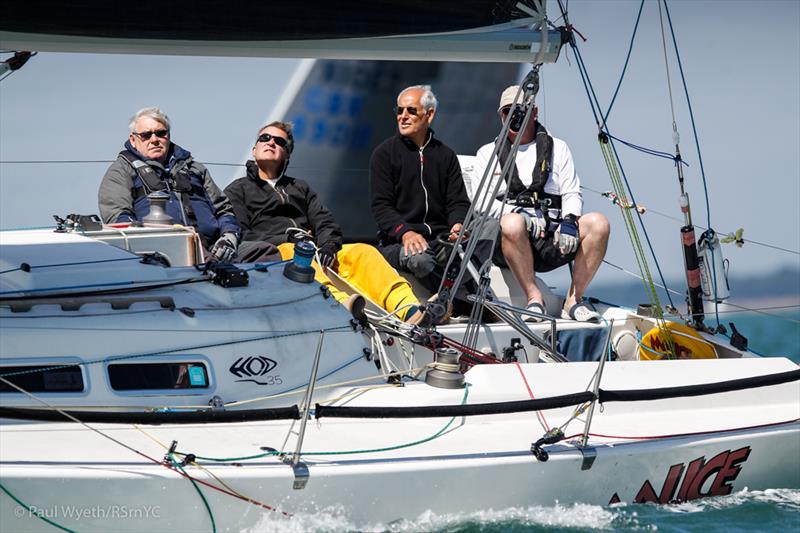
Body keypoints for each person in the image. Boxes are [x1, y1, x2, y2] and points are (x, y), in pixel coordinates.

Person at [224, 121, 427, 324]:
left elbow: (324, 221)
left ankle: (408, 309)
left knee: (363, 252)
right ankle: (338, 304)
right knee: (292, 253)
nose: (271, 143)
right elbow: (240, 233)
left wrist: (328, 246)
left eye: (279, 141)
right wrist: (285, 238)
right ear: (254, 149)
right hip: (276, 253)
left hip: (313, 249)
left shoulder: (299, 187)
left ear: (287, 154)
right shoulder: (237, 190)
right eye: (265, 138)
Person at [471, 86, 610, 322]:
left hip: (553, 235)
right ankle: (534, 298)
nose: (514, 116)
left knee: (599, 223)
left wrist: (569, 221)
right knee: (513, 223)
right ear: (501, 116)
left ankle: (574, 299)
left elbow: (571, 192)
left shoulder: (559, 148)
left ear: (534, 112)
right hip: (513, 240)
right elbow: (480, 202)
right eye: (508, 112)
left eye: (520, 110)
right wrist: (518, 213)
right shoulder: (487, 153)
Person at [369, 85, 499, 314]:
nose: (403, 116)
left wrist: (458, 224)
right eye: (399, 111)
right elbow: (381, 207)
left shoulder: (445, 155)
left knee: (490, 226)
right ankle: (460, 303)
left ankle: (473, 291)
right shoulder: (384, 154)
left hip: (441, 238)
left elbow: (458, 202)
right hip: (398, 242)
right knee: (419, 259)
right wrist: (406, 232)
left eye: (411, 111)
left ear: (429, 115)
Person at [98, 107, 277, 264]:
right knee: (205, 262)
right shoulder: (121, 171)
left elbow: (223, 210)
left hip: (216, 247)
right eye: (146, 135)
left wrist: (228, 237)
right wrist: (153, 241)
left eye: (161, 133)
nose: (154, 139)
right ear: (133, 139)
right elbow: (117, 217)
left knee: (266, 252)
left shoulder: (195, 168)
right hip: (165, 253)